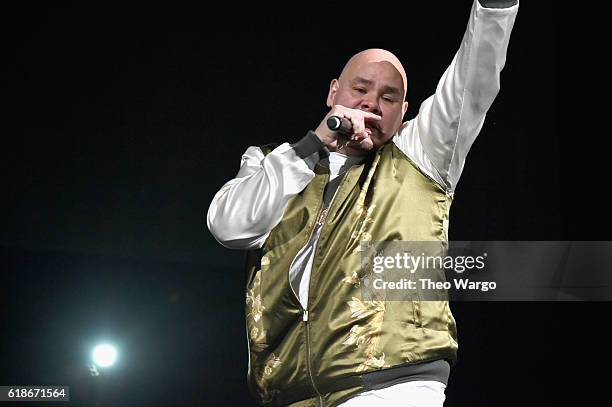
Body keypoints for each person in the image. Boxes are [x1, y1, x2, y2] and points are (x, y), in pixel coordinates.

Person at [207, 1, 519, 406]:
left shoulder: (420, 154)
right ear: (333, 92)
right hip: (289, 393)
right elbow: (229, 228)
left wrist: (496, 7)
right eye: (360, 89)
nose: (372, 103)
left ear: (404, 112)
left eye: (389, 97)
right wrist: (312, 145)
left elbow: (474, 77)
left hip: (391, 384)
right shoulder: (272, 162)